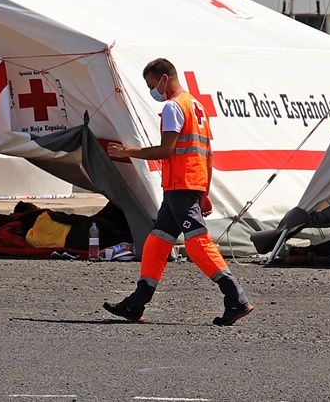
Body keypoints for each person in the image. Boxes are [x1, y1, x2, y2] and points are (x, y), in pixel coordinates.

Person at [103, 58, 253, 326]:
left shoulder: (173, 107)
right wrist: (204, 190)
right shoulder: (196, 106)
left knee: (197, 242)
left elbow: (166, 150)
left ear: (163, 79)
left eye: (152, 85)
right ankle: (136, 303)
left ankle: (236, 297)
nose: (153, 92)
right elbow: (207, 152)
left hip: (181, 185)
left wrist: (130, 152)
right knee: (157, 242)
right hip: (186, 185)